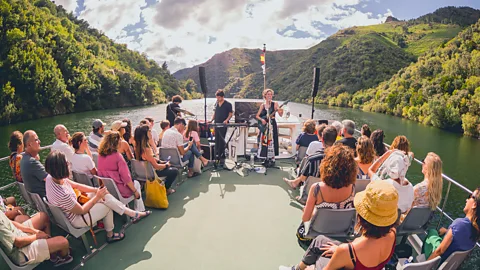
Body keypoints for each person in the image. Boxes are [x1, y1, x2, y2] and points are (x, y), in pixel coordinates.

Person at [280, 181, 398, 270]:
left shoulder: (348, 251)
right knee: (320, 241)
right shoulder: (392, 233)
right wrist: (340, 250)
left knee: (319, 256)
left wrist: (311, 268)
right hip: (353, 260)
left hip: (349, 258)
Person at [45, 151, 151, 243]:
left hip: (74, 207)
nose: (69, 164)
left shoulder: (51, 178)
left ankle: (132, 213)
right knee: (107, 207)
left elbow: (76, 185)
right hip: (77, 218)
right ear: (60, 168)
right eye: (66, 163)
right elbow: (81, 211)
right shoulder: (63, 194)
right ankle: (111, 235)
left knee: (104, 196)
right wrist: (97, 197)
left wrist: (96, 191)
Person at [301, 144, 357, 223]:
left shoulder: (316, 188)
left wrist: (313, 212)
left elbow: (305, 218)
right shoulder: (352, 188)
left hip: (319, 231)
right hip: (341, 230)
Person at [422, 187, 480, 263]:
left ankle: (421, 260)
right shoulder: (476, 231)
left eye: (470, 197)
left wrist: (426, 266)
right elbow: (460, 238)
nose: (466, 200)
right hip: (449, 265)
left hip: (438, 262)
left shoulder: (459, 224)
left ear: (474, 205)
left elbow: (439, 251)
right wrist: (448, 231)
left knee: (432, 232)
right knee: (440, 233)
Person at [0, 209, 73, 267]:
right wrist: (37, 236)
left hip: (20, 234)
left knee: (43, 217)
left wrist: (33, 231)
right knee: (64, 242)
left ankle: (51, 252)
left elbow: (11, 223)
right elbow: (18, 243)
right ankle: (62, 258)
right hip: (20, 252)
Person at [97, 132, 145, 212]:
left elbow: (100, 173)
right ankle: (139, 211)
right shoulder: (117, 156)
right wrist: (135, 192)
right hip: (120, 190)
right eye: (120, 139)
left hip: (108, 189)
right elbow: (126, 177)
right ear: (116, 142)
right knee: (136, 183)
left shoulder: (100, 155)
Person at [134, 125, 179, 195]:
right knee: (174, 171)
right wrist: (166, 165)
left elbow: (147, 158)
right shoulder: (147, 149)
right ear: (144, 134)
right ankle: (166, 189)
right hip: (152, 173)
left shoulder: (137, 147)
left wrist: (160, 161)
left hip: (144, 172)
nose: (151, 132)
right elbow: (156, 166)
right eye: (149, 131)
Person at [256, 89, 283, 159]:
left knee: (273, 139)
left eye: (271, 94)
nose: (270, 96)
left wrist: (280, 110)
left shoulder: (275, 104)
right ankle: (264, 156)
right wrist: (262, 120)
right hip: (265, 125)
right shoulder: (262, 105)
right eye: (268, 94)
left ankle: (272, 157)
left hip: (272, 123)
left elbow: (280, 114)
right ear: (265, 95)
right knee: (264, 140)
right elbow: (257, 116)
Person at [20, 130, 47, 198]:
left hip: (39, 202)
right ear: (29, 144)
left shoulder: (24, 160)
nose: (39, 141)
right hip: (48, 199)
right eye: (36, 140)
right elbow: (50, 179)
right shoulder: (31, 162)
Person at [210, 90, 233, 162]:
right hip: (216, 123)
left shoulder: (228, 104)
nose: (217, 99)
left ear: (222, 97)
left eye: (219, 97)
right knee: (216, 139)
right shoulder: (216, 103)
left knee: (222, 139)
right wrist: (211, 120)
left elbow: (230, 113)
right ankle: (216, 155)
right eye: (217, 97)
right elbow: (215, 113)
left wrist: (226, 120)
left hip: (223, 124)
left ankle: (221, 154)